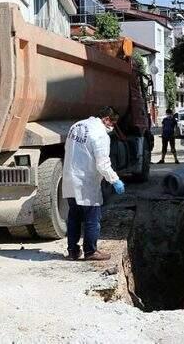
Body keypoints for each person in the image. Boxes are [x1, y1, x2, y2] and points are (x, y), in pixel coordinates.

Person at [62, 106, 125, 261]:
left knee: (74, 216)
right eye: (112, 122)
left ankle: (72, 251)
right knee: (92, 218)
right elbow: (103, 163)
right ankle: (91, 251)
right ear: (106, 119)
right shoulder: (100, 134)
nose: (112, 127)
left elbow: (67, 148)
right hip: (86, 180)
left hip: (70, 177)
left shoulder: (76, 126)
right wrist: (115, 180)